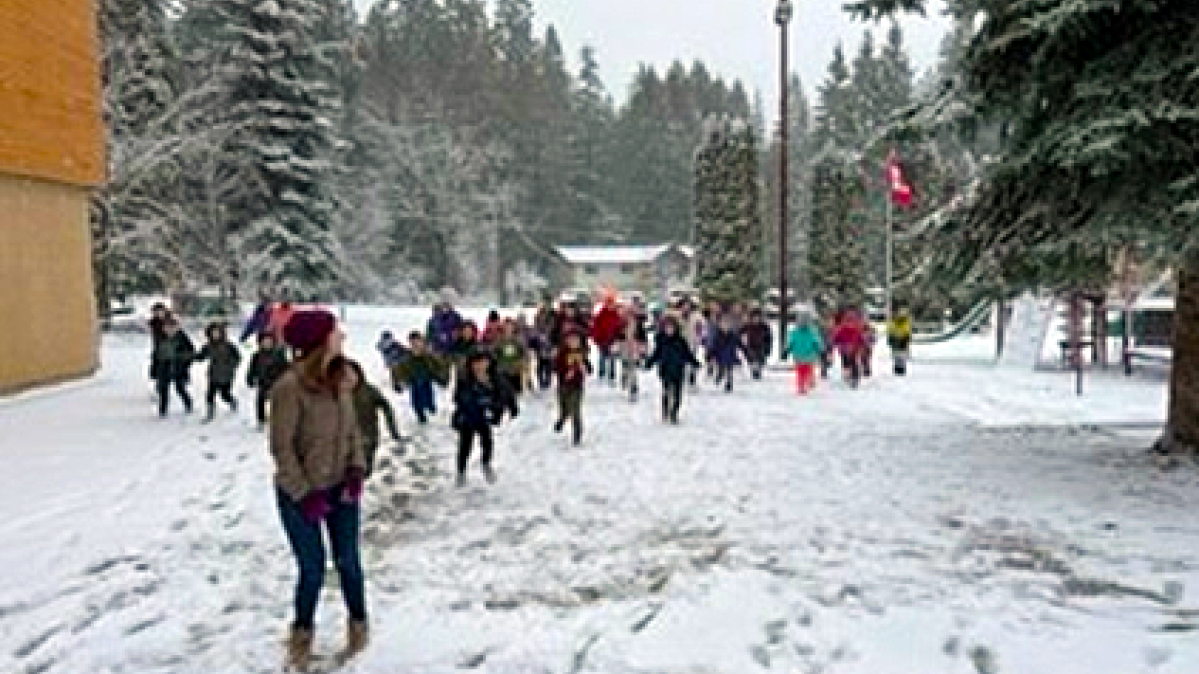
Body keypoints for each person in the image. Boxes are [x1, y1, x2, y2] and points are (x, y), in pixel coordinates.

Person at [270, 310, 369, 669]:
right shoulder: (289, 389)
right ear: (319, 341)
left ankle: (359, 629)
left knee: (349, 562)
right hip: (302, 495)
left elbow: (353, 430)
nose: (341, 335)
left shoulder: (343, 377)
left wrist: (356, 467)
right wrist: (302, 494)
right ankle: (301, 637)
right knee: (312, 568)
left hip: (340, 487)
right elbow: (282, 448)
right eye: (335, 331)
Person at [451, 351, 518, 486]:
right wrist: (475, 398)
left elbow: (508, 392)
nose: (480, 366)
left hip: (485, 417)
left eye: (483, 362)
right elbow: (457, 397)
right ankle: (461, 472)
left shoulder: (496, 377)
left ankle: (486, 465)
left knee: (487, 443)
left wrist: (511, 407)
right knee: (465, 446)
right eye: (476, 363)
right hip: (468, 417)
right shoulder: (465, 378)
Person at [345, 360, 402, 477]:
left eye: (351, 374)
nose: (348, 378)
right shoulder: (338, 392)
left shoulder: (369, 390)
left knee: (365, 469)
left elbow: (386, 407)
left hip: (369, 437)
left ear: (358, 374)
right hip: (347, 439)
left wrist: (393, 429)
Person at [645, 316, 701, 424]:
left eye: (671, 328)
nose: (669, 330)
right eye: (667, 328)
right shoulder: (661, 341)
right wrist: (649, 363)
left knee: (677, 393)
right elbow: (656, 354)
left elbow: (687, 354)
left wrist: (695, 362)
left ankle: (674, 413)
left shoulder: (681, 341)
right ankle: (665, 411)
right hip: (665, 369)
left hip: (679, 370)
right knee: (666, 391)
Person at [392, 332, 450, 424]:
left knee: (431, 410)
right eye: (412, 343)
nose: (415, 345)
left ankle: (432, 419)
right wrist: (398, 384)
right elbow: (397, 372)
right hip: (414, 387)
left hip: (429, 386)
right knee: (418, 408)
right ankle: (422, 420)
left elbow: (442, 368)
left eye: (417, 342)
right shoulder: (406, 358)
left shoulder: (430, 356)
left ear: (422, 342)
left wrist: (443, 379)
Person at [194, 322, 242, 422]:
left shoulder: (229, 345)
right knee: (210, 393)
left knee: (224, 393)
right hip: (213, 373)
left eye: (217, 332)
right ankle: (210, 412)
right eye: (213, 333)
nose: (215, 335)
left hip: (226, 374)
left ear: (221, 333)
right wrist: (191, 357)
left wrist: (230, 366)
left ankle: (232, 402)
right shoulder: (208, 346)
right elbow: (201, 357)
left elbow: (237, 357)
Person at [553, 331, 591, 445]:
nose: (574, 343)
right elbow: (556, 368)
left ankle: (577, 434)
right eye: (571, 340)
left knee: (575, 410)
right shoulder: (562, 353)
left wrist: (583, 367)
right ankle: (561, 420)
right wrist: (565, 372)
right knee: (564, 409)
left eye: (576, 340)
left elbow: (589, 369)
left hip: (577, 387)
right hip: (563, 386)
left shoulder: (582, 354)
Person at [153, 317, 195, 417]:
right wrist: (154, 369)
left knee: (180, 388)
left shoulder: (182, 338)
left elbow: (190, 352)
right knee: (163, 390)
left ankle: (188, 404)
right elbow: (156, 355)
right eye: (167, 327)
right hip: (164, 368)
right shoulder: (160, 338)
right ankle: (163, 410)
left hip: (178, 367)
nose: (170, 330)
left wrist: (185, 363)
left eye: (173, 327)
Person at [247, 332, 290, 428]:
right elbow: (252, 368)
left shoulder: (279, 355)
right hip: (263, 382)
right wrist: (250, 378)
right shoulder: (256, 356)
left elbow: (286, 367)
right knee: (260, 402)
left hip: (276, 383)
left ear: (273, 342)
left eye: (269, 341)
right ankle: (261, 420)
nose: (267, 343)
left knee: (278, 403)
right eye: (264, 341)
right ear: (260, 343)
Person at [785, 312, 826, 395]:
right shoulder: (794, 332)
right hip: (798, 355)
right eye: (801, 321)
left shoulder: (812, 331)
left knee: (807, 370)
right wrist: (786, 350)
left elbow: (817, 342)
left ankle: (808, 381)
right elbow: (791, 342)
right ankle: (801, 386)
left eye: (805, 321)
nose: (803, 323)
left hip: (809, 355)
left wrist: (821, 350)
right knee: (800, 372)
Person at [616, 305, 648, 402]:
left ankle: (633, 388)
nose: (629, 316)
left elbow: (643, 337)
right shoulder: (621, 323)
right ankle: (624, 376)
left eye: (631, 314)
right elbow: (617, 336)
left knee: (633, 368)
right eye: (627, 313)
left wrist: (643, 349)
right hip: (624, 347)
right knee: (625, 366)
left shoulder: (638, 324)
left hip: (635, 347)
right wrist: (616, 346)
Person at [590, 297, 624, 384]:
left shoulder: (616, 315)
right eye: (609, 304)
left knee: (612, 358)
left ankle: (612, 375)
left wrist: (618, 337)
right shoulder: (601, 314)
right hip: (602, 339)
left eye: (612, 304)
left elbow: (620, 327)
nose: (611, 306)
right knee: (602, 357)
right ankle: (601, 374)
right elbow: (595, 327)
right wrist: (597, 338)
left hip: (613, 340)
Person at [708, 314, 745, 393]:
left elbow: (740, 345)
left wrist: (746, 352)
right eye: (723, 324)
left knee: (729, 371)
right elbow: (713, 347)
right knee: (721, 370)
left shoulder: (733, 335)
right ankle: (719, 377)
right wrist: (710, 356)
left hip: (731, 356)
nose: (725, 326)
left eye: (727, 324)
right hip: (720, 357)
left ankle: (729, 384)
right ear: (720, 325)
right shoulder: (717, 336)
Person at [831, 310, 868, 388]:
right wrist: (837, 345)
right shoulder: (841, 330)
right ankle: (847, 374)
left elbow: (861, 339)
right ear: (845, 322)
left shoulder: (857, 330)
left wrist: (862, 346)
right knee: (845, 363)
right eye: (848, 321)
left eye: (851, 322)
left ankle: (855, 378)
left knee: (854, 363)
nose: (850, 324)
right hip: (843, 350)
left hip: (854, 350)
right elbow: (836, 338)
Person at [492, 319, 529, 395]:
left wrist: (523, 363)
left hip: (516, 370)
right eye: (506, 326)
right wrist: (498, 361)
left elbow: (525, 353)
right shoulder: (498, 340)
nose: (508, 328)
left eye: (510, 326)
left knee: (516, 393)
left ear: (514, 327)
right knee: (505, 392)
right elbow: (493, 353)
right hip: (503, 370)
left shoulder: (519, 339)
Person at [740, 308, 773, 380]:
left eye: (758, 317)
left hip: (761, 346)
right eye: (754, 317)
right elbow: (740, 334)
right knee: (752, 358)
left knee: (760, 359)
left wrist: (768, 348)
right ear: (751, 318)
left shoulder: (764, 326)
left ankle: (758, 370)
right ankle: (754, 369)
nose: (756, 319)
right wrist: (742, 345)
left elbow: (769, 338)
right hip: (750, 345)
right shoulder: (747, 325)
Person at [887, 308, 914, 376]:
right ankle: (897, 368)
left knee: (902, 355)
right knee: (896, 355)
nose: (899, 315)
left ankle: (901, 368)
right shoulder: (893, 322)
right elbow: (890, 330)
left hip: (903, 340)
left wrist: (907, 339)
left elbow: (908, 332)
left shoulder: (906, 322)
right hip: (895, 340)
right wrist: (890, 338)